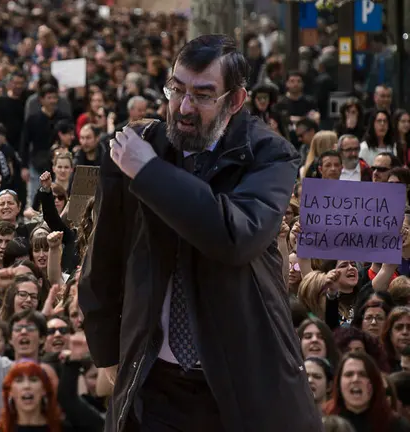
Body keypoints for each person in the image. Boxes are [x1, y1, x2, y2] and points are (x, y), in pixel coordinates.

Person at [80, 34, 321, 431]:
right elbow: (103, 260)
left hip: (241, 383)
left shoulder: (269, 155)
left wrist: (150, 174)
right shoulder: (134, 150)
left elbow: (235, 238)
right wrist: (107, 351)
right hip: (154, 381)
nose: (184, 108)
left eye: (203, 95)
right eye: (176, 89)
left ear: (236, 99)